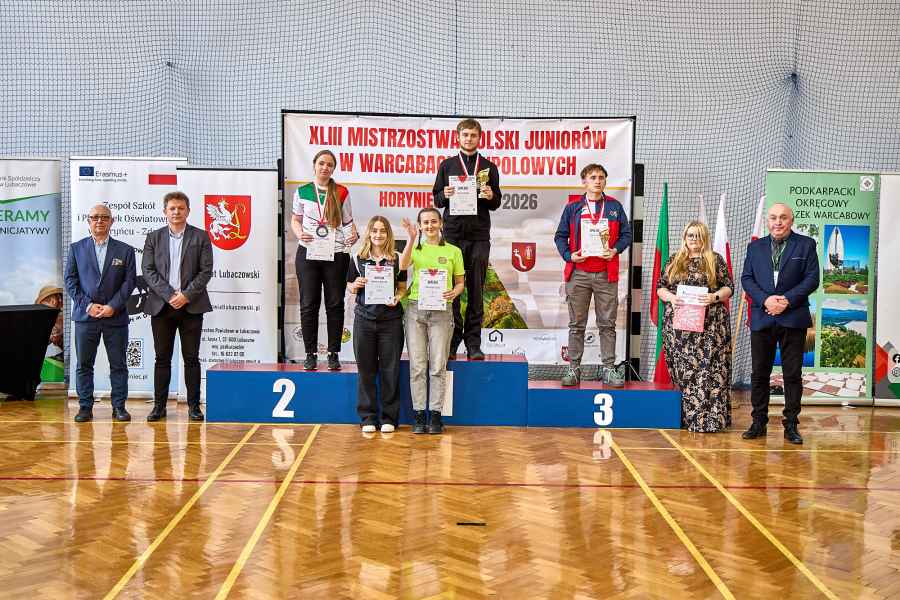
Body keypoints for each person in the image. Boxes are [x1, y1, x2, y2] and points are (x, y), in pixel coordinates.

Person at [741, 203, 819, 444]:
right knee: (759, 373)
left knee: (792, 374)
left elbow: (812, 279)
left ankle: (791, 425)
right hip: (762, 316)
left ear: (791, 220)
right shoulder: (754, 247)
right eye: (773, 217)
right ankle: (758, 422)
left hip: (793, 316)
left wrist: (786, 300)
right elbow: (747, 278)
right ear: (768, 221)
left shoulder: (806, 245)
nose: (778, 222)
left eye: (783, 217)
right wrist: (766, 300)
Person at [554, 163, 632, 387]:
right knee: (576, 325)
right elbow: (560, 236)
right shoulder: (573, 208)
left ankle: (608, 369)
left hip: (606, 274)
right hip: (578, 273)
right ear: (584, 182)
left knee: (607, 324)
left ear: (605, 181)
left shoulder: (614, 207)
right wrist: (569, 255)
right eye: (593, 177)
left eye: (601, 177)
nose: (597, 181)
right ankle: (573, 369)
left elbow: (627, 235)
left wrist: (615, 250)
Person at [432, 118, 502, 361]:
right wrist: (445, 193)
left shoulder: (489, 167)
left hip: (479, 236)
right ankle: (452, 340)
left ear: (479, 138)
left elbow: (496, 202)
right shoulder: (447, 165)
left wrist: (491, 195)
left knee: (475, 290)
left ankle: (473, 343)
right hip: (452, 235)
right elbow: (437, 199)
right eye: (465, 135)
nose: (469, 139)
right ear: (458, 137)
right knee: (451, 289)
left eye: (473, 135)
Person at [142, 191, 214, 422]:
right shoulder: (153, 237)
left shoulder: (201, 236)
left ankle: (194, 406)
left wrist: (185, 295)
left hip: (191, 306)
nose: (176, 212)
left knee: (191, 358)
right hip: (161, 307)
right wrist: (169, 295)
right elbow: (148, 271)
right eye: (172, 208)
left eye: (181, 208)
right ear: (165, 212)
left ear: (188, 211)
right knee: (162, 359)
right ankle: (159, 407)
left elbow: (206, 271)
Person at [655, 221, 734, 432]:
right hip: (680, 329)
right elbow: (660, 288)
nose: (693, 239)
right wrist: (671, 298)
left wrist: (714, 297)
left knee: (710, 371)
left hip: (711, 328)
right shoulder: (674, 260)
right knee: (685, 373)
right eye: (690, 235)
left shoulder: (715, 260)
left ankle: (711, 420)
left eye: (698, 235)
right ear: (684, 237)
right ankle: (685, 418)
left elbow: (729, 287)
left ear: (704, 238)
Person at [64, 204, 137, 422]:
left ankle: (119, 407)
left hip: (116, 317)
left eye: (104, 217)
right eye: (95, 217)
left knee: (119, 365)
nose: (99, 221)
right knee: (84, 365)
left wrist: (112, 306)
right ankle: (85, 407)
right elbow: (70, 281)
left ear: (111, 221)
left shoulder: (125, 250)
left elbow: (129, 282)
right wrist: (88, 305)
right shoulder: (76, 249)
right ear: (88, 221)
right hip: (86, 317)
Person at [291, 149, 358, 371]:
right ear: (314, 165)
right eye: (321, 163)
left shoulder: (341, 191)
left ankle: (333, 353)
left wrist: (353, 235)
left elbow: (347, 222)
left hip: (336, 253)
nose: (325, 167)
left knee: (335, 304)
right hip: (308, 252)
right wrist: (299, 233)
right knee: (308, 304)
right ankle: (310, 354)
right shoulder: (302, 191)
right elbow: (295, 220)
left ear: (333, 168)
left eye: (330, 164)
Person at [399, 208, 465, 434]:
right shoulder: (415, 248)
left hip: (442, 312)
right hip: (415, 311)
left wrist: (455, 292)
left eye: (433, 222)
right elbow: (402, 266)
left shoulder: (454, 251)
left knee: (437, 366)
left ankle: (435, 415)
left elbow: (460, 283)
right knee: (418, 366)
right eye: (425, 222)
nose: (430, 226)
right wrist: (411, 239)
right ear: (420, 226)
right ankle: (419, 414)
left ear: (441, 223)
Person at [347, 216, 407, 434]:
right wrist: (355, 284)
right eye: (374, 231)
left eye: (382, 231)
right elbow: (350, 286)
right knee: (366, 370)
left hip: (390, 322)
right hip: (364, 320)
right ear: (369, 233)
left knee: (390, 370)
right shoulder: (357, 258)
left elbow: (402, 287)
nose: (378, 235)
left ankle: (389, 418)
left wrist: (398, 297)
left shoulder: (397, 258)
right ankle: (368, 418)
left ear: (388, 234)